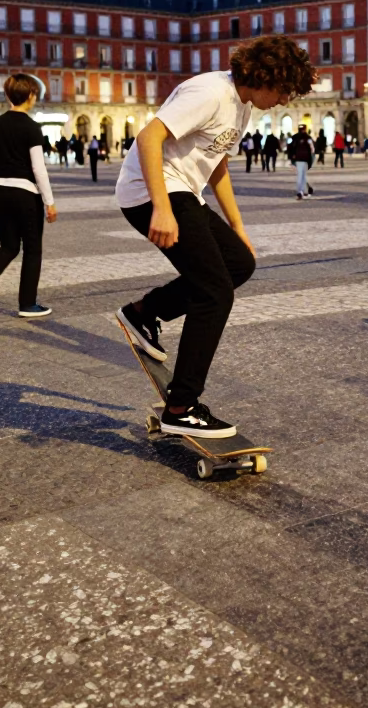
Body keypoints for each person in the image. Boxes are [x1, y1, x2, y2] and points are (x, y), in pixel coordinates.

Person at [115, 35, 315, 438]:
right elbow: (148, 137)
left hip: (184, 192)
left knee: (239, 264)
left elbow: (217, 161)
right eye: (283, 90)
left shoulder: (242, 105)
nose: (284, 100)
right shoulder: (209, 92)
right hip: (149, 192)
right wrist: (162, 208)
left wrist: (237, 228)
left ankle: (143, 312)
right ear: (264, 76)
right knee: (215, 292)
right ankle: (181, 406)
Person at [0, 73, 58, 319]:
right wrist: (50, 202)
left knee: (8, 246)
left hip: (1, 191)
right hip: (25, 193)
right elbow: (38, 168)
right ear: (31, 95)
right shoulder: (31, 127)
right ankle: (28, 303)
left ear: (7, 96)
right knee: (32, 249)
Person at [288, 123, 315, 199]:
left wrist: (291, 157)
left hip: (297, 158)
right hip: (305, 158)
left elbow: (289, 147)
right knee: (302, 175)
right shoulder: (308, 137)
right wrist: (311, 157)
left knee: (301, 174)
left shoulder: (295, 137)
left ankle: (302, 190)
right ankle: (301, 191)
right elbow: (312, 148)